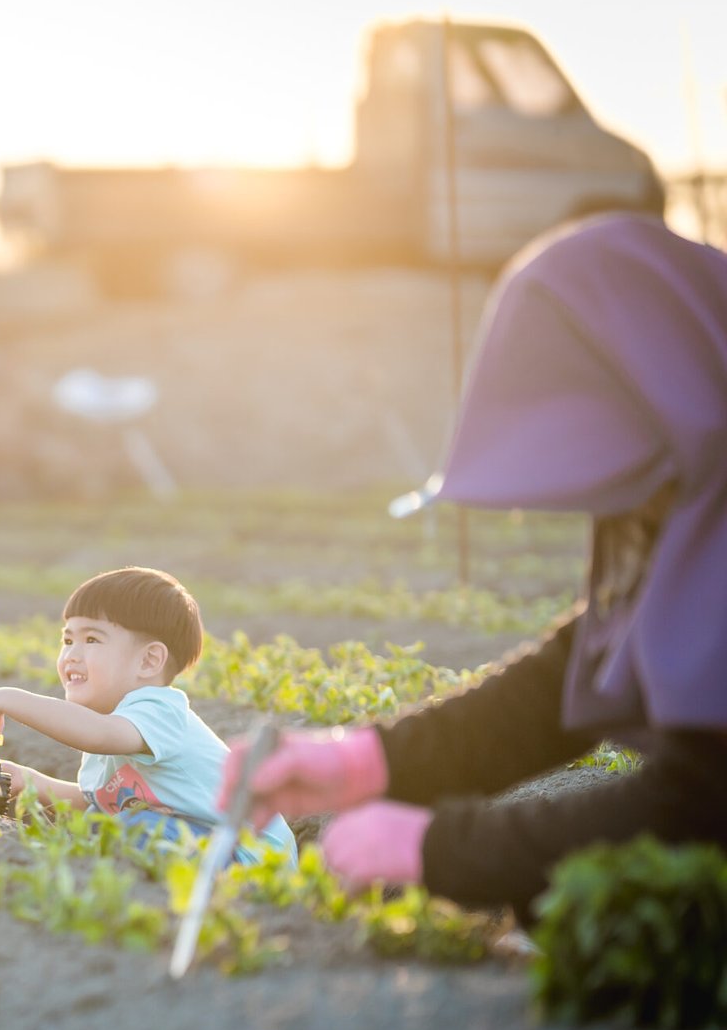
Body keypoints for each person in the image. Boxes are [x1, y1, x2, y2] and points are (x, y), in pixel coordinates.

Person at [223, 213, 727, 916]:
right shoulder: (692, 495)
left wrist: (447, 849)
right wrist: (366, 761)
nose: (626, 515)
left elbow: (700, 800)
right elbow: (573, 672)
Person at [0, 567, 296, 860]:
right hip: (196, 841)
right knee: (108, 821)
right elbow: (102, 799)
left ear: (149, 660)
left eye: (92, 640)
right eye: (67, 640)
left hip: (249, 852)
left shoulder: (160, 709)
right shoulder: (113, 724)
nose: (72, 655)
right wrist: (28, 780)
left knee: (123, 830)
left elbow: (97, 734)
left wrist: (8, 698)